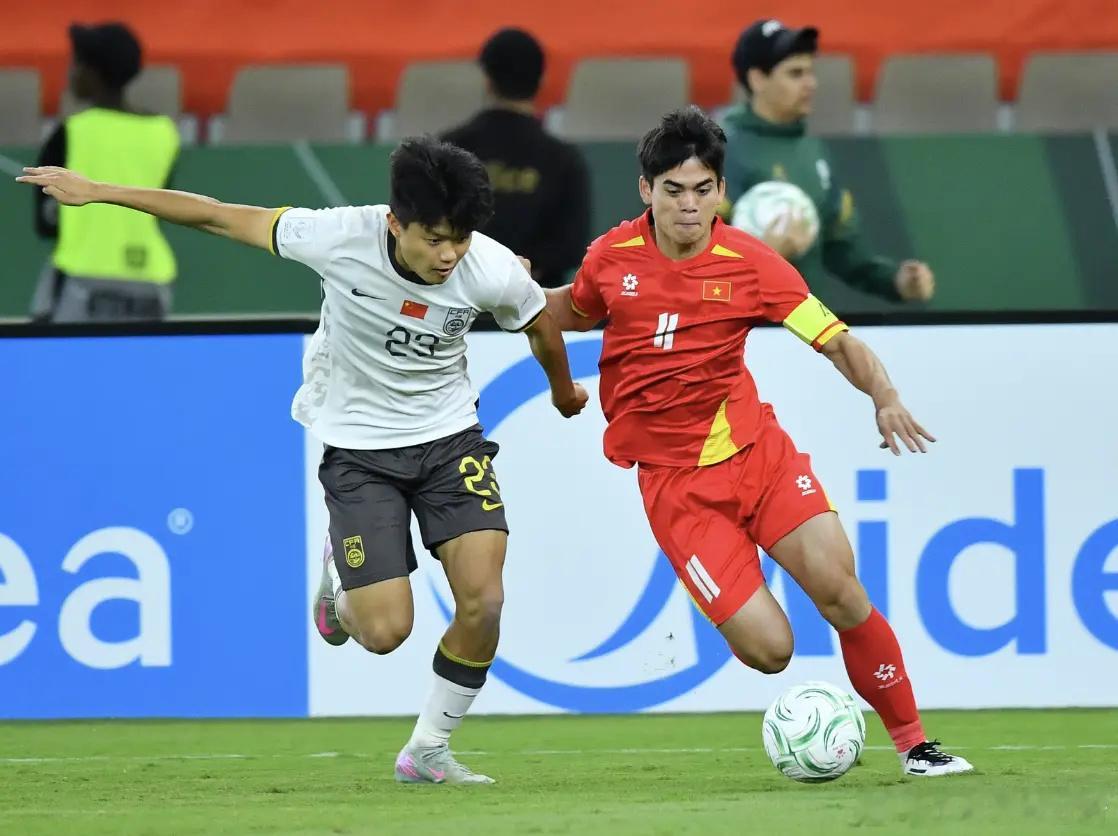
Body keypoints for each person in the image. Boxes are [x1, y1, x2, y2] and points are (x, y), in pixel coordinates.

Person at [18, 137, 588, 785]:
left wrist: (562, 390)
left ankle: (427, 749)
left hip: (450, 440)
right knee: (384, 632)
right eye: (434, 239)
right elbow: (215, 215)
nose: (448, 255)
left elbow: (539, 321)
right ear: (395, 223)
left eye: (459, 238)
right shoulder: (336, 237)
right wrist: (99, 192)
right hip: (361, 451)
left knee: (484, 601)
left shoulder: (487, 266)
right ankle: (338, 582)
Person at [544, 107, 971, 777]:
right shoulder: (611, 258)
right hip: (678, 488)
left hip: (759, 458)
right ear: (646, 190)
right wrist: (503, 294)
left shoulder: (752, 263)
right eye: (673, 190)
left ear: (722, 190)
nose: (689, 206)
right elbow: (569, 309)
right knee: (771, 651)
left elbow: (836, 341)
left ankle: (915, 745)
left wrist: (884, 395)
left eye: (702, 189)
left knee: (841, 591)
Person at [721, 19, 935, 305]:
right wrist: (764, 258)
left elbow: (842, 248)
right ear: (758, 79)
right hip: (740, 326)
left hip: (805, 325)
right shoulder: (715, 150)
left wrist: (896, 282)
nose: (811, 84)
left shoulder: (812, 150)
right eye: (795, 74)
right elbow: (684, 264)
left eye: (811, 72)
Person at [31, 22, 179, 322]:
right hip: (151, 282)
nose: (71, 72)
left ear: (94, 74)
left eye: (77, 64)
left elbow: (46, 222)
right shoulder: (165, 133)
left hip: (81, 280)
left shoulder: (71, 132)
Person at [443, 27, 591, 289]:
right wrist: (518, 271)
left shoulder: (447, 149)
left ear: (487, 80)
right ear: (541, 81)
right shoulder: (563, 160)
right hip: (533, 299)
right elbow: (570, 246)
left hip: (457, 295)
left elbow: (425, 227)